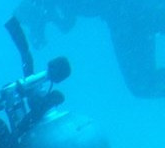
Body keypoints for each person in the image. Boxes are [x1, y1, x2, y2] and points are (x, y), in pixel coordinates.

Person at [14, 0, 165, 98]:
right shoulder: (49, 6)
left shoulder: (43, 6)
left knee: (143, 84)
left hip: (125, 16)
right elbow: (67, 23)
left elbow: (65, 24)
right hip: (125, 15)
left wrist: (45, 19)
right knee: (143, 84)